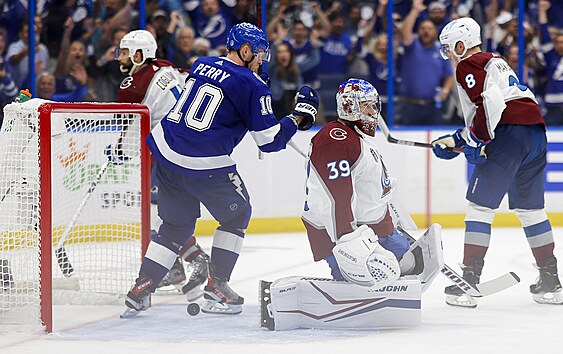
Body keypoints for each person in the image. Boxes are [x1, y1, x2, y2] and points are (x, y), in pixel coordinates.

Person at [121, 22, 319, 317]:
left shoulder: (202, 64)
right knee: (238, 214)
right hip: (203, 162)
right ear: (247, 50)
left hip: (165, 152)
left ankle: (141, 288)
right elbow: (269, 142)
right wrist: (299, 116)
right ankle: (217, 287)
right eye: (261, 53)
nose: (263, 59)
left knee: (174, 227)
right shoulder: (253, 86)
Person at [262, 78, 443, 331]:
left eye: (373, 106)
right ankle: (312, 299)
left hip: (378, 226)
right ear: (351, 107)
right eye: (368, 107)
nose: (374, 113)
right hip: (343, 231)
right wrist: (349, 242)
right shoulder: (335, 140)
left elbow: (370, 183)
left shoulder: (355, 135)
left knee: (409, 267)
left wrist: (392, 214)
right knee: (366, 280)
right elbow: (335, 197)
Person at [433, 17, 563, 308]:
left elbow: (489, 104)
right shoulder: (495, 61)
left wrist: (476, 141)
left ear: (460, 44)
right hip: (534, 132)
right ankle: (550, 281)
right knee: (532, 210)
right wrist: (459, 139)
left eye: (449, 49)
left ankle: (469, 281)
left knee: (480, 207)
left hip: (509, 133)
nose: (449, 55)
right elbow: (498, 105)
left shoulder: (468, 64)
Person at [115, 29, 209, 301]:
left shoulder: (133, 84)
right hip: (188, 147)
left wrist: (120, 150)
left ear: (138, 54)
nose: (119, 57)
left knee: (158, 216)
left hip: (166, 154)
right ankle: (176, 268)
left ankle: (196, 259)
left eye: (123, 52)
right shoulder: (165, 67)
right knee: (163, 214)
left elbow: (134, 125)